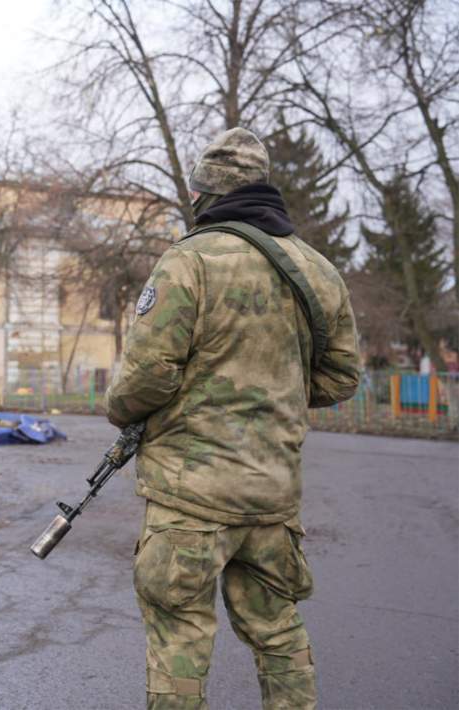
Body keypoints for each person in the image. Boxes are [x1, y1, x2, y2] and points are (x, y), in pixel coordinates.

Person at [103, 127, 362, 709]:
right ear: (263, 190)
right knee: (279, 634)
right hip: (273, 499)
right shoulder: (319, 271)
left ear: (201, 196)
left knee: (180, 639)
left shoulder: (187, 262)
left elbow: (146, 378)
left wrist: (118, 409)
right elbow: (342, 377)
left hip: (190, 500)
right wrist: (275, 396)